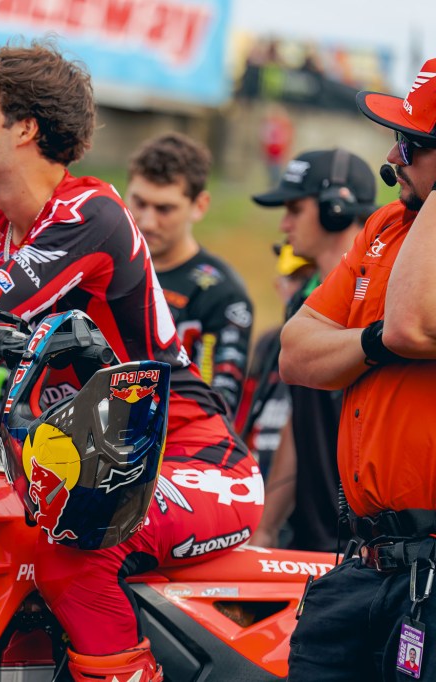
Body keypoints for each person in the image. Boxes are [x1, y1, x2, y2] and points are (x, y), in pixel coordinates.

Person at [0, 40, 262, 681]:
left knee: (75, 552)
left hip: (185, 457)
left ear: (24, 128)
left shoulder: (90, 214)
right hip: (83, 460)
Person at [280, 58, 436, 681]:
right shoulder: (385, 223)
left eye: (412, 144)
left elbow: (411, 325)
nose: (393, 159)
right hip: (364, 562)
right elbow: (297, 352)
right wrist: (368, 344)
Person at [250, 148, 376, 553]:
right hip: (312, 537)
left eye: (295, 209)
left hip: (371, 546)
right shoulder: (305, 306)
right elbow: (298, 420)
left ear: (335, 210)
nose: (284, 224)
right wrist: (265, 528)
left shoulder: (381, 297)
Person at [125, 132, 254, 417]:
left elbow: (219, 404)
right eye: (139, 203)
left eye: (165, 209)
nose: (147, 221)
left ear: (200, 206)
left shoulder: (223, 295)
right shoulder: (103, 268)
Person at [235, 244, 314, 480]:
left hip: (301, 478)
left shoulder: (333, 340)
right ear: (279, 286)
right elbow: (245, 407)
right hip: (256, 472)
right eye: (294, 278)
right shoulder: (268, 342)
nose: (304, 288)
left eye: (309, 278)